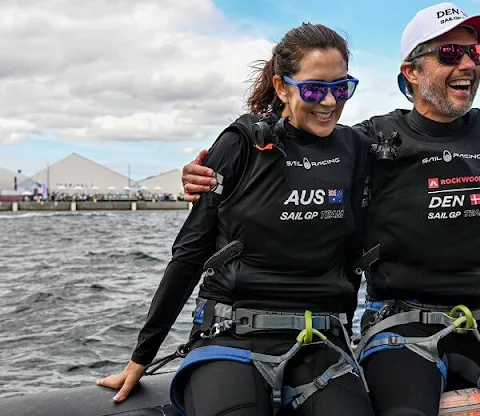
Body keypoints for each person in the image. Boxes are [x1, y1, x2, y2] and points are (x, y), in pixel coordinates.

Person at [180, 3, 480, 416]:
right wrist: (214, 170)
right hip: (399, 330)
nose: (467, 65)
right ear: (411, 71)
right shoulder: (369, 143)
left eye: (476, 54)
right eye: (450, 54)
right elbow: (294, 150)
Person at [97, 23, 376, 416]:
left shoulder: (357, 149)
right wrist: (142, 356)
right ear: (281, 87)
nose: (329, 101)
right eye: (314, 89)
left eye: (341, 87)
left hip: (321, 340)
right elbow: (190, 252)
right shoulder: (242, 143)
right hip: (233, 335)